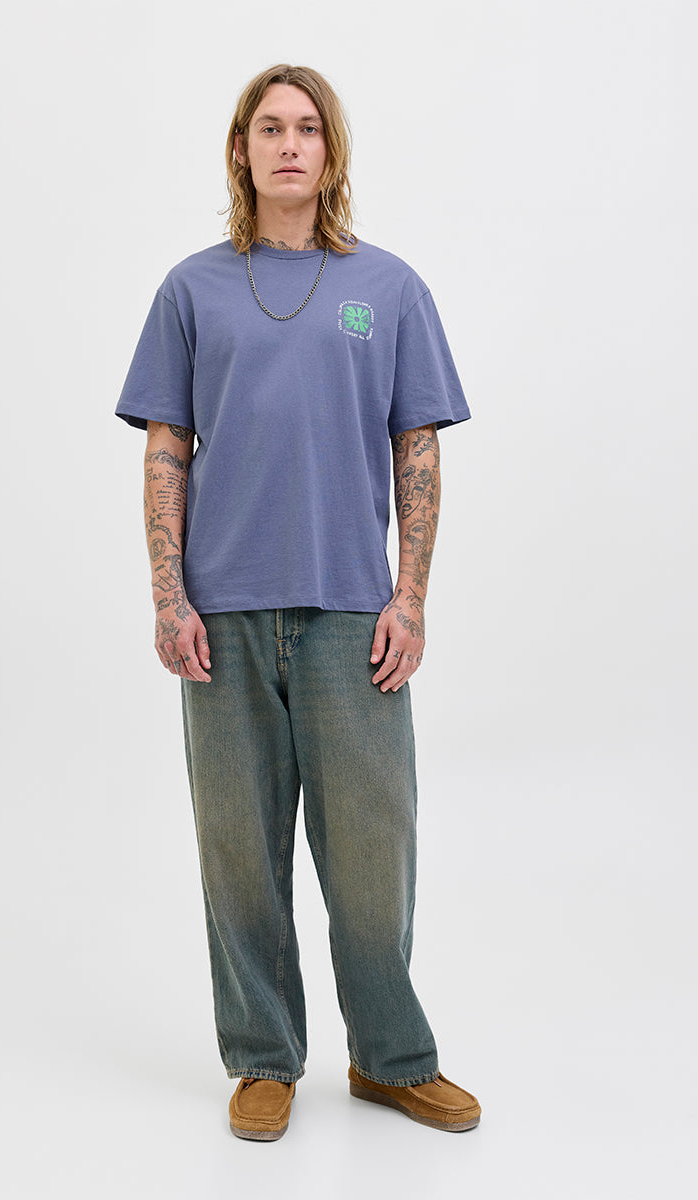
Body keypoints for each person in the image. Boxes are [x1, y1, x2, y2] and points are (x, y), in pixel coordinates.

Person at [116, 64, 481, 1142]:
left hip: (351, 613)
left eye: (307, 128)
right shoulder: (191, 290)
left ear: (331, 151)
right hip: (221, 616)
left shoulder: (390, 287)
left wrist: (409, 598)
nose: (288, 144)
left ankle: (390, 1059)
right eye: (269, 127)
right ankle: (264, 1058)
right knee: (238, 850)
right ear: (241, 149)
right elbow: (166, 447)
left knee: (372, 848)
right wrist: (167, 594)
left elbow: (418, 449)